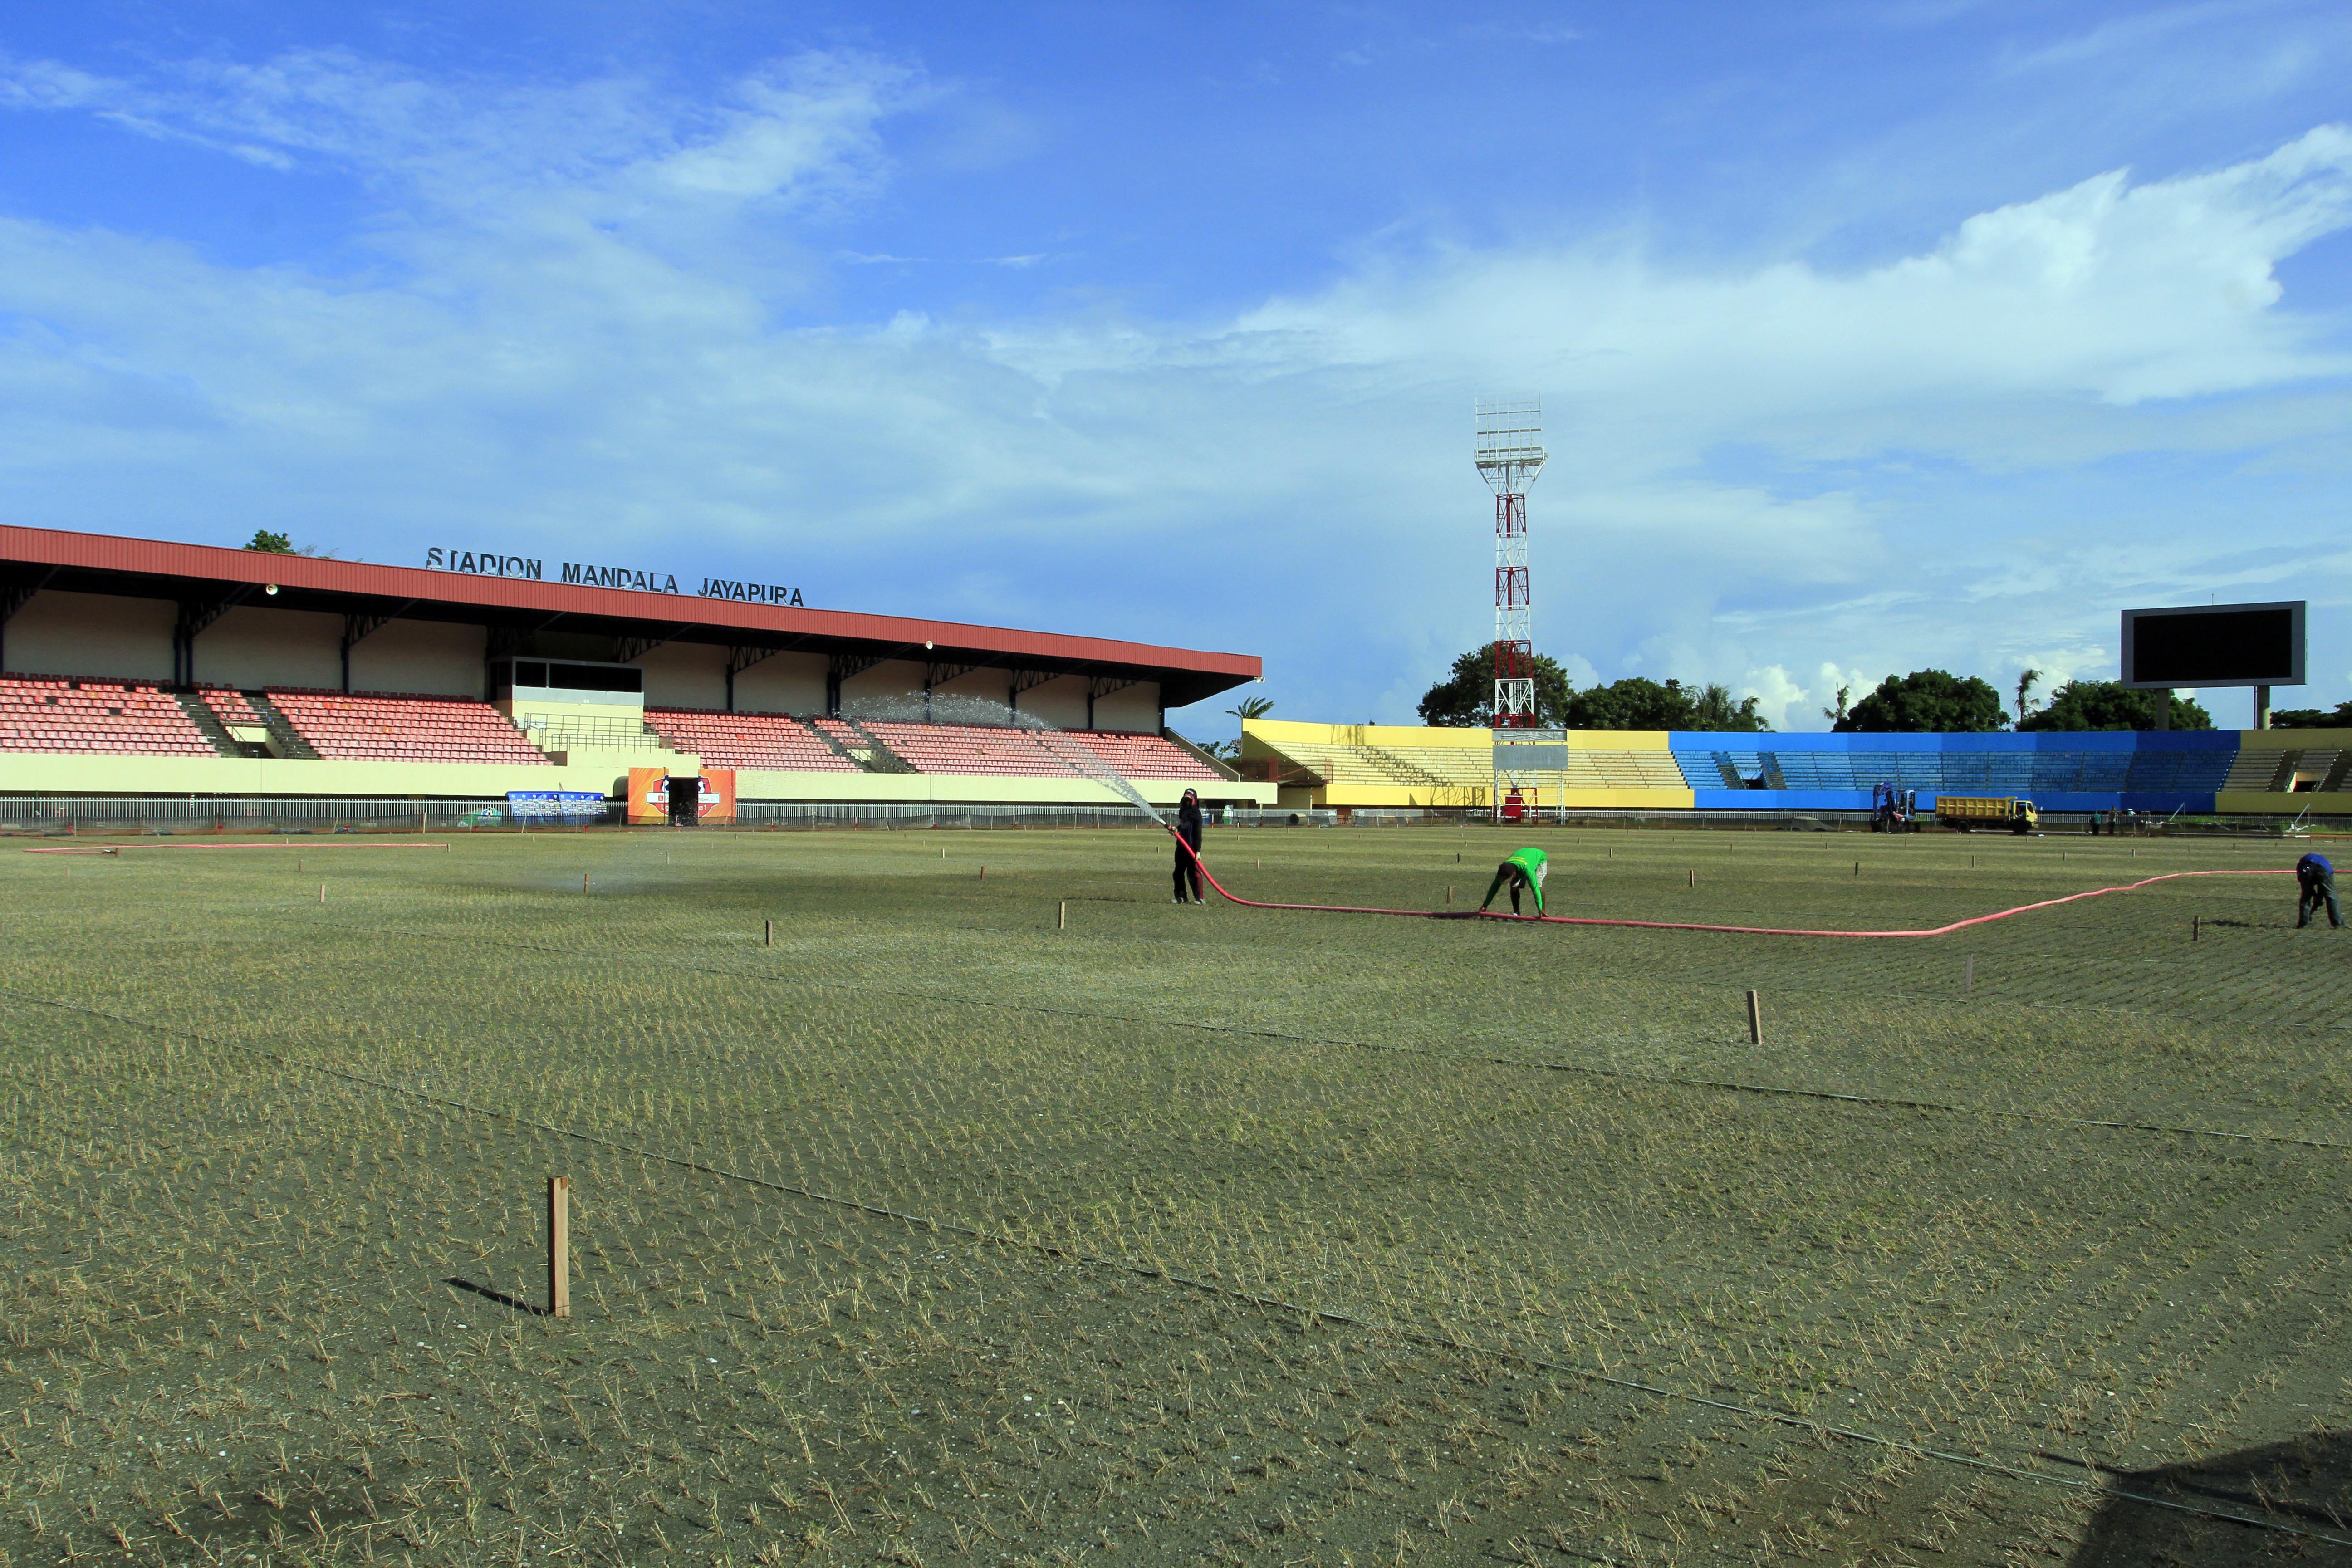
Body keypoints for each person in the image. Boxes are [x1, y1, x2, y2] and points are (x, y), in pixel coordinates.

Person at [1479, 845, 1548, 916]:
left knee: (1538, 884)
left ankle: (1543, 911)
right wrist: (1485, 905)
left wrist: (1539, 908)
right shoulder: (1504, 869)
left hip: (1539, 858)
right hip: (1523, 858)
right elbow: (1494, 888)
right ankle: (1517, 913)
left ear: (1514, 873)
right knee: (1513, 887)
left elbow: (1535, 889)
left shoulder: (1527, 870)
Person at [1172, 788, 1206, 905]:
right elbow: (1184, 825)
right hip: (1181, 846)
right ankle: (1181, 897)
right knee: (1178, 872)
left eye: (1189, 799)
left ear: (1194, 801)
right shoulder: (1182, 810)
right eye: (1186, 799)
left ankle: (1200, 898)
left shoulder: (1196, 814)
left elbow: (1198, 833)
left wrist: (1198, 851)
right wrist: (1177, 829)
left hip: (1191, 848)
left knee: (1193, 874)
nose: (1187, 802)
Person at [2298, 852, 2341, 929]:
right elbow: (2322, 891)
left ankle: (2304, 923)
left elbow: (2306, 884)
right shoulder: (2325, 863)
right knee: (2331, 896)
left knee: (2306, 897)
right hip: (2323, 869)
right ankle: (2339, 923)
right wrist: (2317, 898)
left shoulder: (2300, 865)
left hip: (2305, 869)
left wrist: (2316, 898)